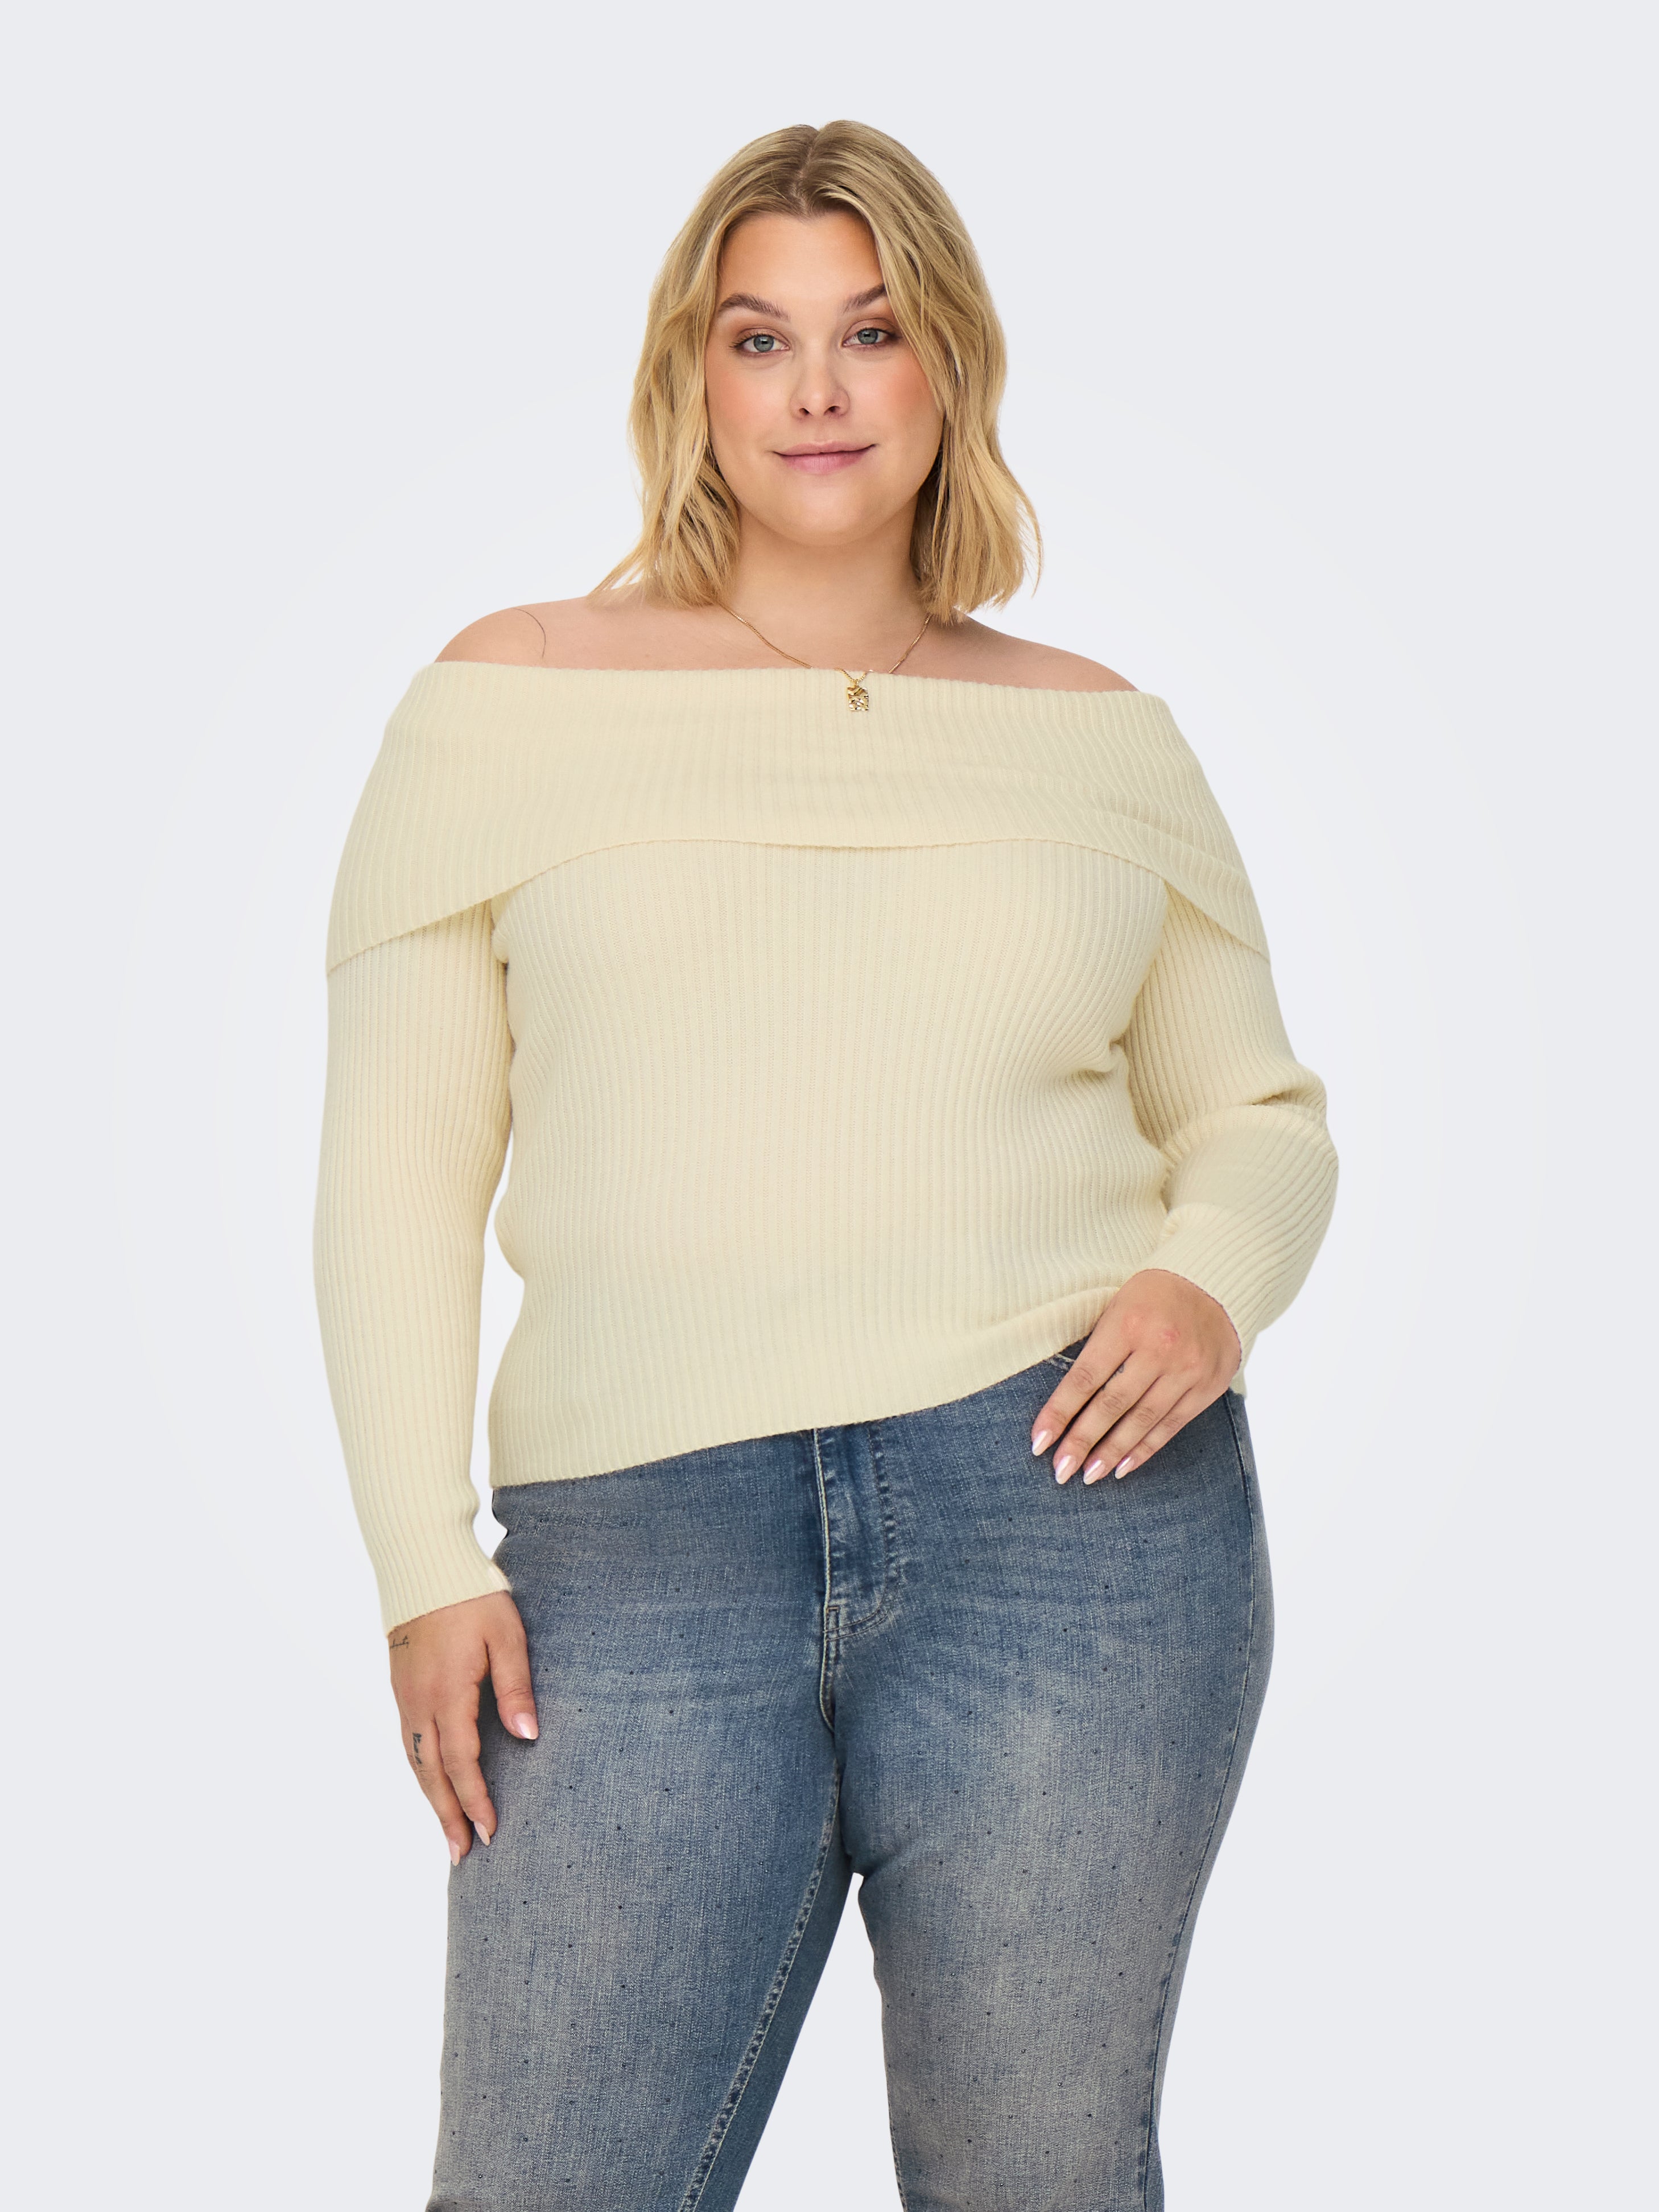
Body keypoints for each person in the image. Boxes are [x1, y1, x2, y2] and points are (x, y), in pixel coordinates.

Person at [315, 118, 1338, 2212]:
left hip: (1068, 1518)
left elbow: (1255, 1115)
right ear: (689, 377)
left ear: (946, 365)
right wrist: (422, 1560)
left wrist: (1203, 1282)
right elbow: (397, 1170)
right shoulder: (504, 702)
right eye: (758, 335)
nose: (815, 389)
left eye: (870, 332)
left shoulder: (1096, 733)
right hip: (636, 1550)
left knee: (1037, 2178)